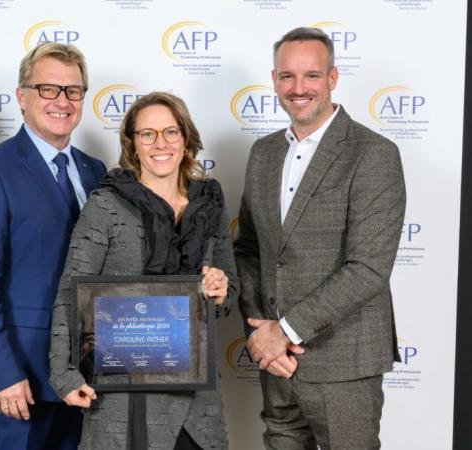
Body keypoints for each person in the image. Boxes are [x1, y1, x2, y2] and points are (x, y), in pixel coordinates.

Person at [234, 27, 406, 450]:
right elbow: (250, 249)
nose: (299, 88)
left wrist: (285, 332)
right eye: (287, 76)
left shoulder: (372, 154)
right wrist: (263, 333)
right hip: (277, 365)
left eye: (311, 75)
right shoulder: (264, 153)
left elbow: (367, 268)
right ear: (274, 80)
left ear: (332, 78)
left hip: (344, 361)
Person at [49, 92, 240, 450]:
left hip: (197, 399)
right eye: (147, 134)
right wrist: (63, 373)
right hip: (124, 392)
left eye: (170, 132)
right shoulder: (106, 205)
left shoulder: (209, 203)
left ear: (186, 140)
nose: (160, 143)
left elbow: (229, 294)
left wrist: (220, 288)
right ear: (133, 145)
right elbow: (69, 292)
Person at [0, 42, 106, 450]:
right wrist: (2, 374)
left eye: (73, 91)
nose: (62, 101)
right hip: (19, 381)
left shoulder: (95, 171)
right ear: (22, 97)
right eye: (48, 89)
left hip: (84, 377)